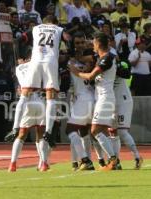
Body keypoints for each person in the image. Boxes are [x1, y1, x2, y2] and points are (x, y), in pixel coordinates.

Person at [11, 15, 69, 148]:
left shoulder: (35, 28)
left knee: (24, 95)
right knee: (51, 98)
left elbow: (19, 40)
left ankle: (15, 127)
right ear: (55, 22)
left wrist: (20, 57)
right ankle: (48, 131)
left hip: (35, 62)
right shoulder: (58, 29)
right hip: (50, 62)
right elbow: (67, 38)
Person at [69, 32, 118, 171]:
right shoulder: (102, 57)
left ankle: (113, 159)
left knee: (95, 130)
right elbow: (84, 57)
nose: (92, 45)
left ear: (98, 44)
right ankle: (113, 160)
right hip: (101, 97)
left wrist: (76, 72)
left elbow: (90, 76)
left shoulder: (107, 59)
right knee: (101, 131)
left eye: (94, 43)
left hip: (105, 97)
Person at [7, 56, 49, 172]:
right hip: (40, 101)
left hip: (27, 102)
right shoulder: (39, 65)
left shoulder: (19, 68)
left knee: (21, 134)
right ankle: (44, 163)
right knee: (40, 133)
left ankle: (13, 164)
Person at [66, 31, 95, 171]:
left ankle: (85, 160)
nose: (80, 45)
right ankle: (81, 161)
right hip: (78, 97)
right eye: (77, 43)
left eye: (82, 42)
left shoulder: (90, 57)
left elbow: (88, 63)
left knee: (71, 130)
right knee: (84, 131)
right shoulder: (71, 58)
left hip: (84, 97)